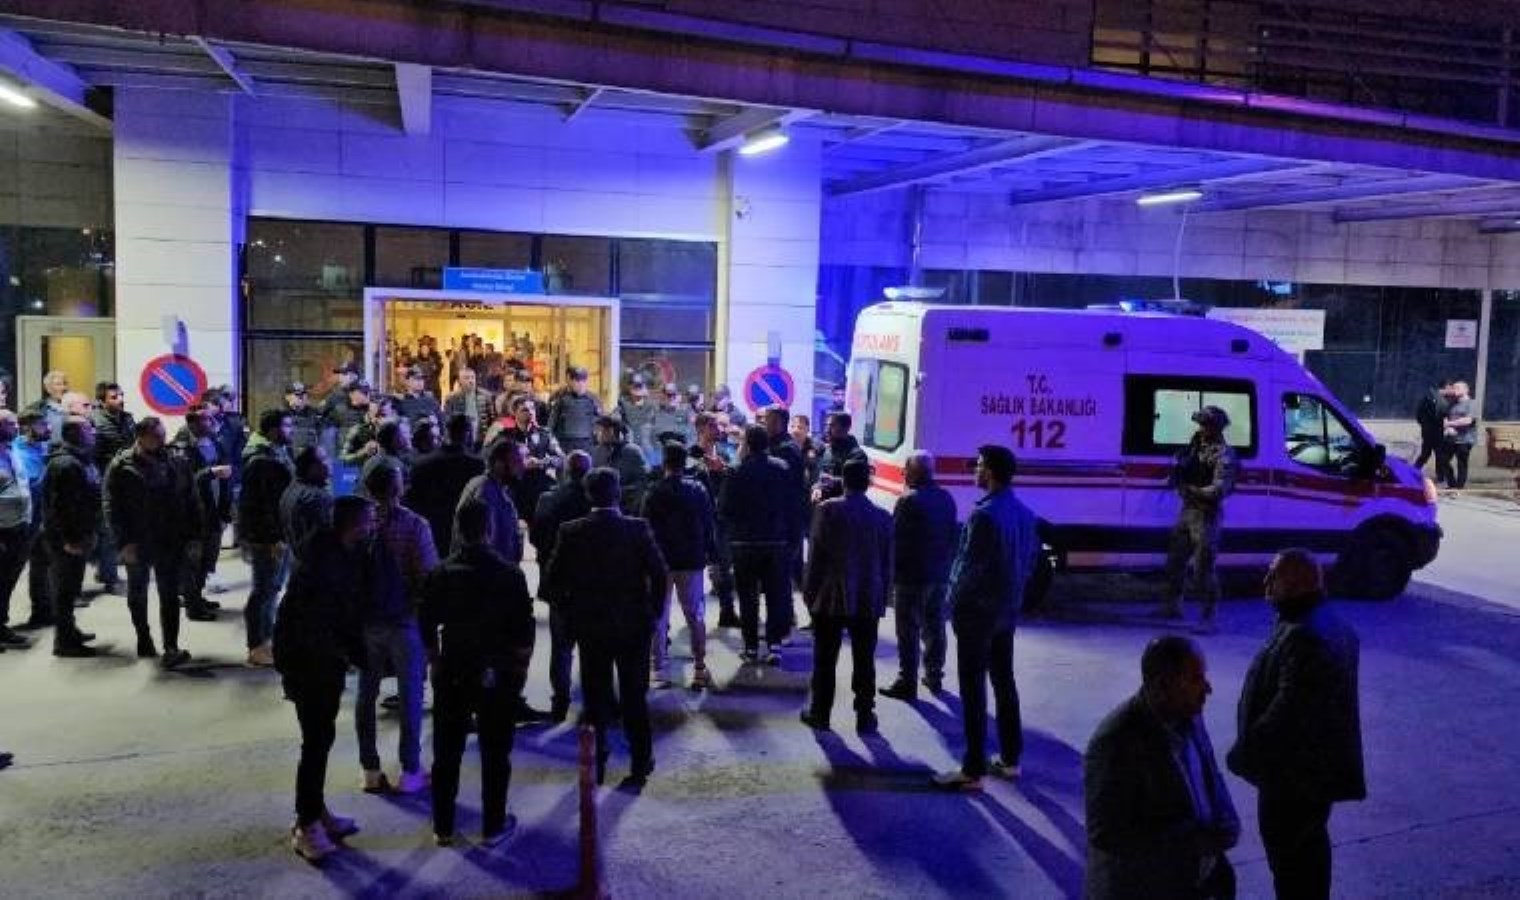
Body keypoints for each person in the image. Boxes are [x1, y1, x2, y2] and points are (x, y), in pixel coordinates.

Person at [1228, 549, 1366, 900]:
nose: (1265, 582)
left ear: (1296, 583)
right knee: (1307, 854)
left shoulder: (1305, 635)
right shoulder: (1323, 622)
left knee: (1291, 862)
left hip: (1293, 779)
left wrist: (1247, 748)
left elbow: (1288, 711)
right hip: (1309, 777)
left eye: (1273, 575)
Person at [1084, 636, 1240, 899]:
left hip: (1197, 880)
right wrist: (1192, 841)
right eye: (1196, 679)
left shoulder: (1189, 712)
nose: (1208, 688)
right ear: (1162, 686)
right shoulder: (1115, 741)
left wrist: (1226, 817)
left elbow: (1208, 772)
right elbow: (1106, 833)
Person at [422, 498, 536, 848]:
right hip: (496, 671)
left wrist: (436, 661)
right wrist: (518, 672)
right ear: (490, 528)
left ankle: (443, 825)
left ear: (458, 530)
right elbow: (524, 631)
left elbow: (426, 622)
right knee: (495, 752)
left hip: (454, 668)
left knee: (447, 752)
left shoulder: (441, 573)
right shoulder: (510, 574)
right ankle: (493, 825)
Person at [544, 467, 668, 787]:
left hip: (591, 626)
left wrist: (570, 613)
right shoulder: (637, 529)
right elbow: (659, 574)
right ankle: (640, 762)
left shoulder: (571, 531)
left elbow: (552, 583)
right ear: (617, 493)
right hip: (632, 625)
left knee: (595, 696)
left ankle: (597, 758)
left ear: (588, 495)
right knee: (634, 697)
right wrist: (653, 615)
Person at [933, 444, 1039, 791]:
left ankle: (972, 769)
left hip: (977, 613)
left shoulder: (984, 515)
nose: (975, 471)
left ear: (990, 472)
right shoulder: (1024, 513)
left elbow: (967, 568)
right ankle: (1010, 759)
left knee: (973, 688)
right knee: (1004, 681)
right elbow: (1030, 562)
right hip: (1006, 610)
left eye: (978, 465)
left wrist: (949, 603)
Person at [273, 495, 372, 864]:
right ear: (352, 524)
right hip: (308, 666)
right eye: (367, 520)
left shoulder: (340, 556)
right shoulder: (322, 565)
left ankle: (317, 811)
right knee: (315, 743)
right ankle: (306, 825)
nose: (371, 526)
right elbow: (309, 620)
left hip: (325, 664)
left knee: (322, 739)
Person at [355, 461, 437, 795]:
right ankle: (410, 770)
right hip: (405, 619)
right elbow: (429, 577)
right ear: (398, 487)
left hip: (366, 621)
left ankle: (370, 770)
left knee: (366, 693)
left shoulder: (357, 522)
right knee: (410, 694)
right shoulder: (415, 525)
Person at [799, 458, 892, 734]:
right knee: (864, 659)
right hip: (867, 597)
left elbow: (815, 557)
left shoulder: (827, 510)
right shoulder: (883, 517)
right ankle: (865, 714)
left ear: (843, 480)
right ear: (868, 483)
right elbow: (887, 563)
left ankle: (820, 713)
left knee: (825, 659)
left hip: (830, 596)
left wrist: (809, 594)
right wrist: (882, 596)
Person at [107, 417, 199, 668]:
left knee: (169, 594)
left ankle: (171, 647)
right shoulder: (121, 465)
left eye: (162, 434)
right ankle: (143, 637)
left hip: (170, 538)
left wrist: (193, 535)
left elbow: (191, 499)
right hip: (137, 540)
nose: (162, 439)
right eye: (156, 436)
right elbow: (112, 506)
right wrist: (123, 542)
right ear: (141, 437)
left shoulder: (176, 461)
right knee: (138, 592)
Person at [881, 451, 959, 700]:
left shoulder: (908, 500)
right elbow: (952, 535)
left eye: (906, 469)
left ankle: (907, 681)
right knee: (935, 625)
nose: (903, 473)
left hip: (911, 576)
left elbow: (896, 540)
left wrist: (889, 573)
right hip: (939, 573)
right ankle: (934, 676)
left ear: (915, 472)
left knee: (908, 629)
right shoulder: (946, 497)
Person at [641, 442, 716, 690]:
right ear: (685, 463)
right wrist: (710, 554)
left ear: (664, 462)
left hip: (660, 562)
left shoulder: (653, 491)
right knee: (695, 615)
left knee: (659, 616)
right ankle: (699, 669)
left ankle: (658, 671)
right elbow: (708, 524)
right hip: (691, 561)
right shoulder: (698, 490)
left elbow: (645, 527)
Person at [719, 425, 794, 665]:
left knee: (747, 597)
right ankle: (774, 645)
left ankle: (751, 647)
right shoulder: (782, 468)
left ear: (747, 445)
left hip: (745, 543)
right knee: (775, 595)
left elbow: (725, 509)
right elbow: (793, 505)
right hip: (776, 541)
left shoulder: (736, 471)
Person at [531, 450, 593, 722]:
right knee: (592, 646)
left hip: (558, 582)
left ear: (566, 471)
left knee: (561, 647)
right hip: (589, 585)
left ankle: (560, 702)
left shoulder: (548, 498)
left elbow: (535, 537)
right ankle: (593, 703)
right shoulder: (595, 500)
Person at [1162, 406, 1237, 627]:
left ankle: (1208, 616)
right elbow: (1182, 467)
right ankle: (1172, 607)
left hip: (1206, 514)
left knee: (1203, 568)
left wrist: (1192, 489)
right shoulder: (1195, 447)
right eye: (1201, 424)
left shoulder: (1224, 455)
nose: (1201, 428)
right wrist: (1176, 475)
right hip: (1187, 510)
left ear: (1217, 427)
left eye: (1206, 424)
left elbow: (1219, 489)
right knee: (1175, 561)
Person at [239, 410, 297, 667]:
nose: (291, 431)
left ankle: (266, 640)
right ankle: (257, 644)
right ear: (273, 430)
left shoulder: (277, 453)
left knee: (272, 589)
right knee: (263, 590)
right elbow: (263, 506)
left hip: (277, 536)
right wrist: (273, 538)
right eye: (287, 426)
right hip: (267, 539)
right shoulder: (261, 460)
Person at [43, 416, 103, 657]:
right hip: (67, 539)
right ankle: (64, 642)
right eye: (88, 429)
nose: (93, 432)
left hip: (80, 533)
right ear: (74, 433)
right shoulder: (65, 464)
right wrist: (69, 539)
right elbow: (60, 508)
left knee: (71, 588)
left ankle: (70, 630)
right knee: (64, 591)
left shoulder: (81, 459)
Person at [176, 407, 231, 621]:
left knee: (208, 558)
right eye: (207, 419)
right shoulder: (181, 448)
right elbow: (184, 481)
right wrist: (211, 472)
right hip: (196, 513)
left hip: (214, 508)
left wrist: (226, 510)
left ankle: (197, 597)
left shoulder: (214, 442)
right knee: (194, 562)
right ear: (193, 424)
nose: (212, 422)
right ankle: (193, 606)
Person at [405, 414, 484, 559]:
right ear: (468, 433)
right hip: (466, 533)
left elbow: (413, 502)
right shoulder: (477, 465)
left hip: (431, 533)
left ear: (447, 432)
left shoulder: (421, 464)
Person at [690, 412, 739, 629]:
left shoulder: (726, 452)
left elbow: (736, 476)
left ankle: (727, 611)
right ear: (700, 428)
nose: (719, 429)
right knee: (694, 570)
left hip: (722, 519)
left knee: (722, 565)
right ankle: (694, 616)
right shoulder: (691, 455)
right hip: (697, 519)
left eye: (719, 425)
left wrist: (722, 470)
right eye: (713, 425)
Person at [90, 381, 134, 593]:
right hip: (104, 480)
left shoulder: (128, 418)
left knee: (119, 527)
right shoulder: (94, 420)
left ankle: (105, 570)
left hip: (125, 479)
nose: (120, 400)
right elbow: (92, 453)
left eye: (121, 395)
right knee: (107, 530)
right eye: (114, 397)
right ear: (101, 401)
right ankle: (110, 577)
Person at [454, 439, 524, 565]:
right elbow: (482, 546)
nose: (521, 466)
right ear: (498, 463)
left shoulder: (498, 488)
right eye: (515, 461)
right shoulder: (485, 492)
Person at [14, 411, 53, 632]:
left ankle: (42, 612)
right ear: (27, 427)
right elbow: (30, 487)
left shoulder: (42, 448)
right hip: (24, 522)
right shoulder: (18, 452)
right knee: (11, 573)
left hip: (43, 519)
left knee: (41, 567)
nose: (48, 428)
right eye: (42, 425)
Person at [0, 412, 34, 650]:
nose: (16, 427)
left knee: (7, 581)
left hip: (20, 526)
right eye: (10, 424)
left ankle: (1, 625)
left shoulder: (12, 450)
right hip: (1, 529)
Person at [282, 446, 335, 561]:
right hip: (316, 565)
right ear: (313, 468)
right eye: (324, 459)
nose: (330, 461)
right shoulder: (316, 497)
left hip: (297, 561)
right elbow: (328, 538)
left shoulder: (290, 489)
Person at [592, 415, 650, 514]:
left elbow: (642, 482)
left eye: (600, 430)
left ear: (612, 431)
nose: (596, 434)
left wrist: (618, 493)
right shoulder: (598, 451)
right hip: (603, 508)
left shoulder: (632, 452)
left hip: (627, 507)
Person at [547, 366, 601, 454]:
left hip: (587, 444)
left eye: (583, 380)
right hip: (565, 444)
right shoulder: (561, 399)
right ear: (570, 381)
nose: (580, 384)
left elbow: (600, 422)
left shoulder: (593, 399)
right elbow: (551, 423)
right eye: (577, 380)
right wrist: (553, 441)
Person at [340, 391, 394, 466]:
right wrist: (363, 452)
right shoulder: (357, 429)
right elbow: (343, 459)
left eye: (384, 415)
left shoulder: (393, 427)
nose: (381, 419)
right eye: (379, 415)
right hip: (368, 470)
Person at [1440, 380, 1477, 490]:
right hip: (1451, 438)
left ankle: (1459, 487)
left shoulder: (1471, 403)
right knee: (1443, 459)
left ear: (1466, 390)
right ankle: (1452, 484)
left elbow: (1468, 420)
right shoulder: (1452, 404)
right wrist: (1447, 427)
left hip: (1465, 439)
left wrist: (1450, 424)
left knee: (1461, 463)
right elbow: (1445, 417)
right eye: (1453, 388)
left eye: (1457, 388)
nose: (1454, 390)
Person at [444, 367, 494, 445]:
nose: (471, 381)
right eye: (467, 378)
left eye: (472, 377)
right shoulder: (451, 398)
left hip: (482, 439)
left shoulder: (486, 396)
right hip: (461, 440)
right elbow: (447, 420)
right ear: (459, 381)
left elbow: (492, 419)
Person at [616, 374, 659, 464]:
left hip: (647, 450)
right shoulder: (623, 404)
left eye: (640, 385)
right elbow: (615, 418)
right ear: (629, 387)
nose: (637, 388)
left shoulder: (652, 406)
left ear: (645, 387)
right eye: (634, 385)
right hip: (630, 449)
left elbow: (656, 430)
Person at [1412, 378, 1452, 474]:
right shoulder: (1435, 399)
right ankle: (1440, 476)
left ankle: (1413, 471)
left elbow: (1419, 415)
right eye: (1451, 388)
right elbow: (1422, 414)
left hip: (1430, 431)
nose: (1452, 391)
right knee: (1437, 455)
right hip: (1434, 431)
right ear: (1447, 387)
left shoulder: (1434, 398)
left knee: (1429, 454)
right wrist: (1428, 425)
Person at [320, 364, 366, 434]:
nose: (340, 377)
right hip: (337, 432)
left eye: (344, 374)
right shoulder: (335, 393)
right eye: (340, 374)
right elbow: (321, 412)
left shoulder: (361, 392)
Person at [24, 370, 69, 437]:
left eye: (64, 384)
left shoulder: (75, 407)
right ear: (48, 388)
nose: (63, 387)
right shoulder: (36, 408)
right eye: (58, 384)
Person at [651, 382, 696, 449]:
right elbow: (651, 434)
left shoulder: (686, 411)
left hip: (681, 447)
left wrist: (686, 448)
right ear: (663, 395)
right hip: (662, 447)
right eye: (669, 395)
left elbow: (692, 433)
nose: (672, 397)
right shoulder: (656, 412)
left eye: (674, 394)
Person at [282, 382, 323, 453]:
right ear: (288, 397)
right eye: (297, 394)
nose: (302, 397)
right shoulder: (281, 417)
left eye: (304, 393)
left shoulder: (316, 414)